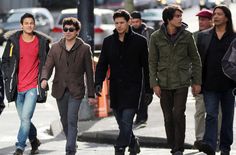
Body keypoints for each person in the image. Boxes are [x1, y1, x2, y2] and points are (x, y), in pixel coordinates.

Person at [95, 9, 152, 155]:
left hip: (133, 88)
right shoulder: (108, 42)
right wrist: (98, 83)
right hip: (115, 88)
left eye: (122, 22)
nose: (119, 25)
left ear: (129, 23)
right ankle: (133, 143)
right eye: (116, 23)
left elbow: (147, 67)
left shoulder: (140, 41)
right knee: (122, 123)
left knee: (127, 120)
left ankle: (119, 147)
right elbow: (102, 64)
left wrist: (149, 89)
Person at [148, 5, 202, 155]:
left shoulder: (187, 36)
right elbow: (152, 62)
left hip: (181, 81)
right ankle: (172, 144)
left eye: (180, 16)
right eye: (177, 16)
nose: (180, 19)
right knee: (168, 117)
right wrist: (154, 84)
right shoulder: (156, 37)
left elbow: (196, 59)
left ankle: (179, 147)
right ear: (168, 19)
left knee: (178, 113)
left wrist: (196, 81)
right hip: (163, 83)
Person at [40, 17, 96, 155]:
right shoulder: (55, 48)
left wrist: (91, 94)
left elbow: (89, 73)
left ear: (77, 31)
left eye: (71, 29)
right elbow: (47, 66)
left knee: (72, 119)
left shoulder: (84, 48)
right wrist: (44, 78)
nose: (68, 32)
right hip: (59, 89)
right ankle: (72, 141)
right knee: (64, 120)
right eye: (65, 29)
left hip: (76, 90)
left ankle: (70, 149)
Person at [1, 13, 51, 155]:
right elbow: (5, 61)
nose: (29, 25)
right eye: (26, 23)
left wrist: (44, 78)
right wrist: (7, 75)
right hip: (17, 88)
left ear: (34, 25)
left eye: (31, 23)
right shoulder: (13, 41)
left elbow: (47, 64)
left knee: (25, 118)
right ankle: (34, 140)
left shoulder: (41, 42)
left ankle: (20, 147)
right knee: (25, 119)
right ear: (21, 25)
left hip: (32, 87)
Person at [196, 5, 236, 155]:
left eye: (219, 14)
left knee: (227, 118)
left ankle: (225, 148)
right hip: (209, 84)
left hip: (229, 85)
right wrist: (196, 82)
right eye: (214, 14)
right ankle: (210, 146)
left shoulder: (234, 37)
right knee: (211, 115)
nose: (216, 16)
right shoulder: (203, 36)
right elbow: (197, 61)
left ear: (227, 17)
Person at [193, 8, 213, 147]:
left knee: (215, 112)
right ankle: (200, 139)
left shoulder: (216, 35)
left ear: (211, 21)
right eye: (200, 19)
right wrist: (193, 81)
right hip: (199, 80)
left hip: (214, 81)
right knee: (200, 111)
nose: (201, 22)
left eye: (204, 19)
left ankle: (215, 138)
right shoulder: (194, 36)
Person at [130, 11, 154, 129]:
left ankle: (142, 118)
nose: (135, 24)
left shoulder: (149, 31)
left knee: (145, 93)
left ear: (141, 20)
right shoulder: (127, 32)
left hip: (146, 66)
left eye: (137, 21)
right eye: (133, 22)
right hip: (132, 67)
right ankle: (134, 117)